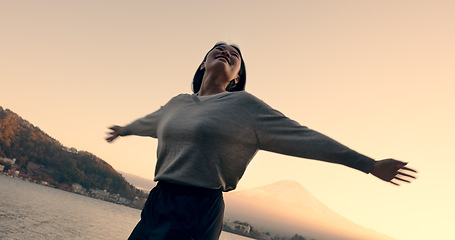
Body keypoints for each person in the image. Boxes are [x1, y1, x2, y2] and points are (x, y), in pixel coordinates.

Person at [106, 42, 417, 240]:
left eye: (235, 55)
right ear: (202, 64)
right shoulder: (178, 103)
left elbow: (304, 137)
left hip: (199, 208)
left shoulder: (246, 108)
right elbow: (151, 122)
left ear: (237, 77)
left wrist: (368, 164)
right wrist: (125, 129)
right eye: (218, 48)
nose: (226, 51)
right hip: (160, 200)